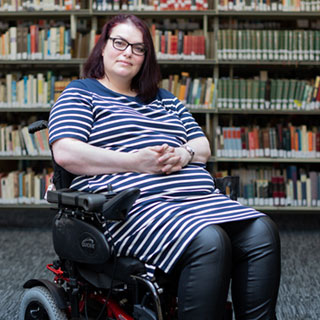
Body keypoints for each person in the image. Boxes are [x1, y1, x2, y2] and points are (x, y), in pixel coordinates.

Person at [48, 14, 281, 320]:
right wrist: (136, 162)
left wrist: (184, 155)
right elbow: (66, 152)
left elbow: (202, 147)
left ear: (146, 58)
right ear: (102, 47)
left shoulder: (165, 100)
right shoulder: (80, 93)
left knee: (262, 231)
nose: (128, 52)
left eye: (138, 48)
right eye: (119, 43)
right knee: (209, 240)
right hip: (131, 209)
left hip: (198, 201)